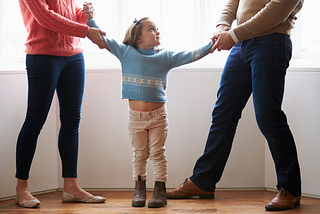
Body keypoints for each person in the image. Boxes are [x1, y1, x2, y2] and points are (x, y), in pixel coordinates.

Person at [166, 0, 303, 212]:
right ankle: (203, 181)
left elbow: (278, 9)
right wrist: (222, 25)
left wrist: (234, 34)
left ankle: (290, 188)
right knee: (223, 115)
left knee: (268, 116)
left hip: (271, 42)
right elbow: (233, 2)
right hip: (242, 44)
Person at [84, 16, 213, 208]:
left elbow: (192, 54)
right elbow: (102, 39)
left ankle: (159, 191)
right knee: (139, 154)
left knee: (158, 153)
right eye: (152, 29)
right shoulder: (125, 52)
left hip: (158, 116)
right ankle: (139, 190)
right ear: (138, 38)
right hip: (135, 118)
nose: (157, 32)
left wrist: (213, 44)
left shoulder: (165, 56)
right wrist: (90, 19)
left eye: (157, 28)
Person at [16, 0, 108, 208]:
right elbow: (45, 17)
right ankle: (21, 189)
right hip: (43, 57)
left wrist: (83, 14)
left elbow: (68, 11)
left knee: (71, 123)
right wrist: (86, 31)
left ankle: (71, 187)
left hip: (74, 56)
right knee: (34, 122)